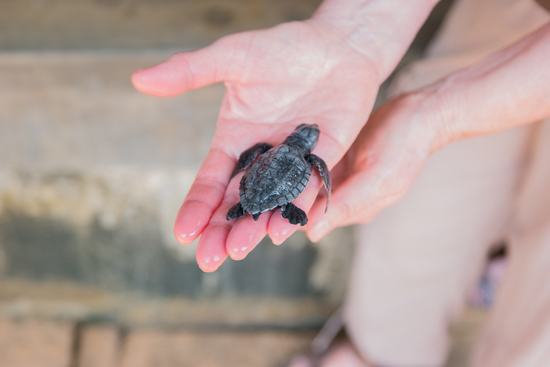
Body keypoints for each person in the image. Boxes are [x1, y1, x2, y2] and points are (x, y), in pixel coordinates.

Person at [132, 0, 550, 365]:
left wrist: (437, 117)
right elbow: (272, 156)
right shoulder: (308, 158)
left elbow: (257, 155)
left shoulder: (283, 152)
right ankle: (381, 353)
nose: (314, 138)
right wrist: (355, 30)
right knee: (423, 207)